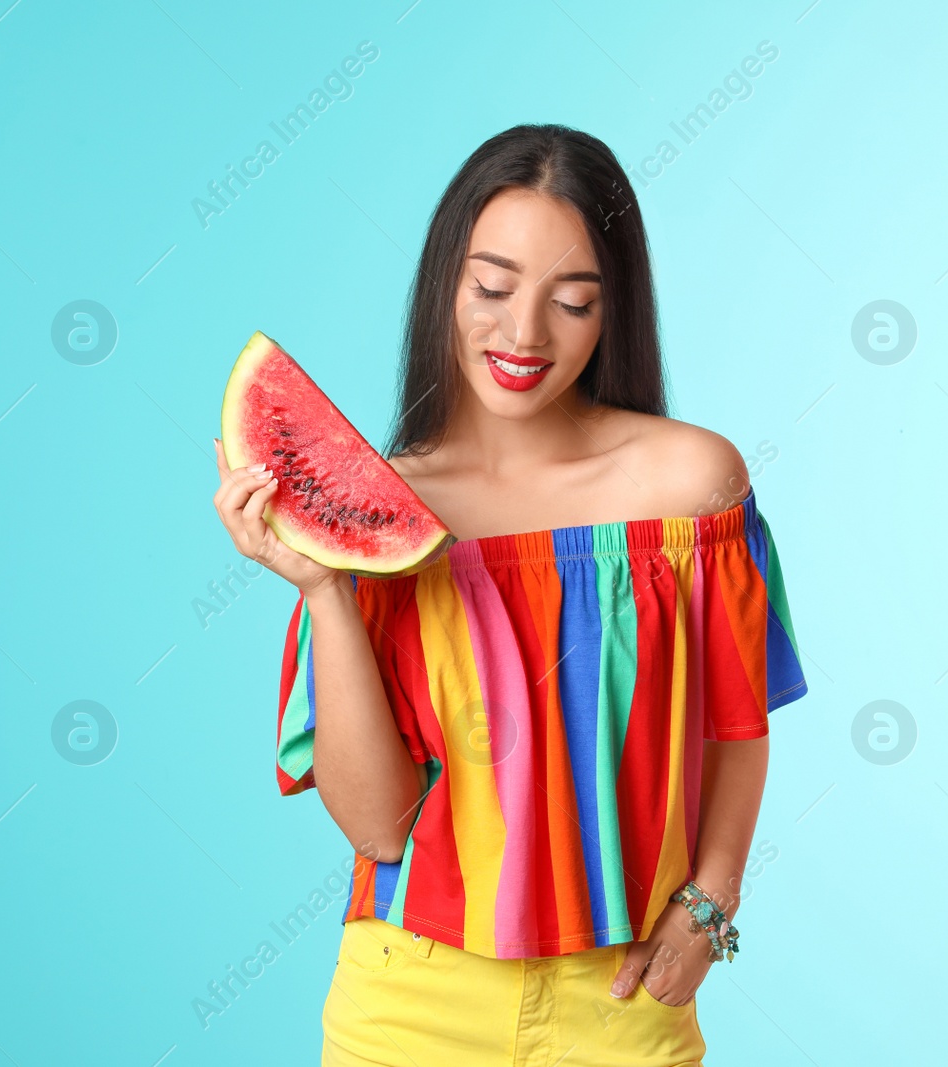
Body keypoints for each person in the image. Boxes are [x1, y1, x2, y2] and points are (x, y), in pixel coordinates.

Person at [211, 123, 808, 1067]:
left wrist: (712, 904)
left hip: (622, 998)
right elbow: (378, 824)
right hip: (410, 997)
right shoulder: (383, 511)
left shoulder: (693, 482)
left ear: (614, 311)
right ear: (446, 284)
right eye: (491, 289)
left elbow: (736, 723)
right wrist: (326, 589)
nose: (523, 334)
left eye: (572, 302)